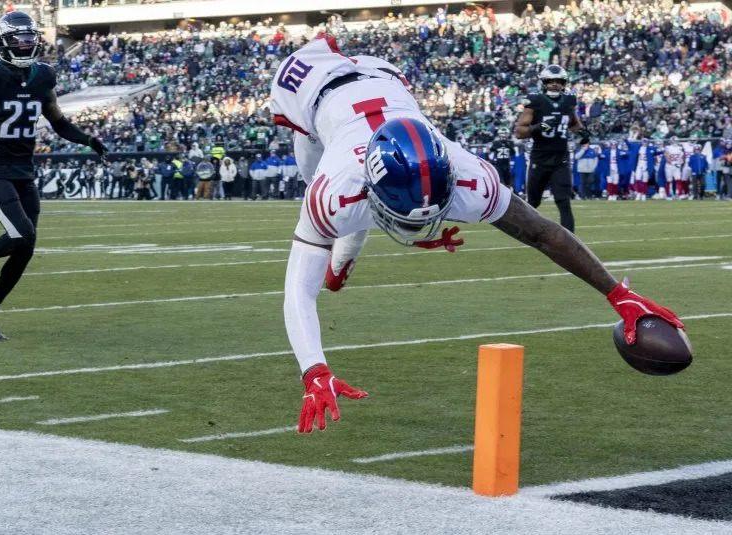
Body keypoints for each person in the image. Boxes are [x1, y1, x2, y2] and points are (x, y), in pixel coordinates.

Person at [269, 35, 684, 433]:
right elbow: (298, 290)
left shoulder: (469, 175)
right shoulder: (334, 190)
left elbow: (542, 233)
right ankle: (345, 248)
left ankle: (346, 247)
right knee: (331, 216)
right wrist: (315, 370)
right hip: (314, 91)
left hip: (386, 79)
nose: (417, 228)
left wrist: (618, 294)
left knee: (364, 218)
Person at [0, 11, 107, 340]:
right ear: (5, 42)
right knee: (20, 234)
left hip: (23, 170)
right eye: (19, 39)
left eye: (30, 38)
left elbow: (59, 122)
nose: (25, 44)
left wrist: (87, 140)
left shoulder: (43, 76)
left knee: (26, 246)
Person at [514, 64, 590, 232]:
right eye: (550, 81)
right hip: (539, 158)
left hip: (561, 158)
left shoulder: (569, 101)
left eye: (558, 81)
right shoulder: (535, 101)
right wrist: (538, 127)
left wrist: (582, 133)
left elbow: (573, 124)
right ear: (544, 83)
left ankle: (571, 242)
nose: (555, 84)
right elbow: (519, 132)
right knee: (533, 202)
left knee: (563, 201)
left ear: (564, 83)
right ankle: (522, 232)